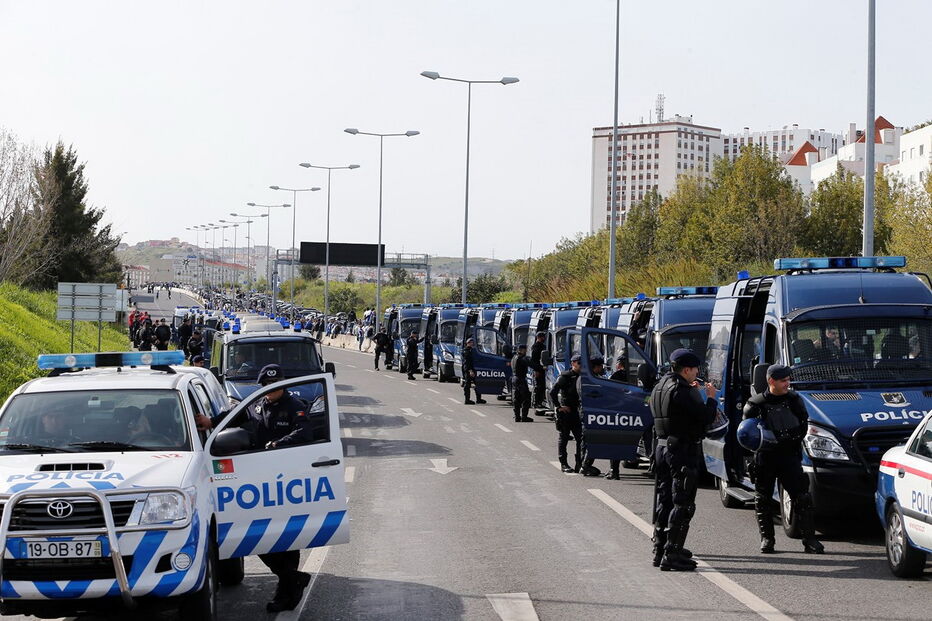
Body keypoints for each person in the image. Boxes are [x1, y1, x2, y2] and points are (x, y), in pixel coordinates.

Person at [743, 364, 824, 554]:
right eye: (783, 381)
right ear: (771, 381)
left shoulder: (794, 400)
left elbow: (804, 424)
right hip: (766, 457)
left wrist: (790, 439)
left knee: (802, 497)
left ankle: (809, 540)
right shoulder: (755, 404)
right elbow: (745, 434)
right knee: (762, 499)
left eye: (788, 380)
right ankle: (767, 539)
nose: (787, 384)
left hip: (789, 455)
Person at [649, 348, 716, 571]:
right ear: (686, 370)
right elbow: (705, 418)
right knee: (683, 502)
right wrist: (711, 399)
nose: (697, 372)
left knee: (665, 499)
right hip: (681, 450)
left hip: (661, 447)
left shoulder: (660, 386)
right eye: (695, 369)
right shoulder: (683, 390)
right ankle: (672, 553)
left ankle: (661, 547)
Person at [550, 354, 586, 473]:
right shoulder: (565, 376)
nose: (581, 366)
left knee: (580, 439)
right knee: (564, 438)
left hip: (576, 412)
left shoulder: (584, 376)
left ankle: (579, 464)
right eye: (579, 363)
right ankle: (564, 464)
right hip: (566, 413)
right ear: (573, 364)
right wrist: (559, 407)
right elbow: (552, 392)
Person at [510, 343, 533, 423]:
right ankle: (524, 416)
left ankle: (517, 416)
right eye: (525, 350)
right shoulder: (521, 358)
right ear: (521, 350)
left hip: (514, 379)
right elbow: (530, 364)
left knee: (517, 399)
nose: (526, 351)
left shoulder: (514, 357)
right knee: (526, 398)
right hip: (521, 379)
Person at [461, 338, 486, 405]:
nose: (472, 343)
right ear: (467, 343)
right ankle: (467, 400)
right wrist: (470, 371)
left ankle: (479, 399)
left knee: (478, 383)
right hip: (468, 370)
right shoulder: (466, 351)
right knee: (467, 385)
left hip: (473, 369)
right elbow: (467, 363)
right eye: (470, 342)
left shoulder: (472, 350)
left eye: (472, 342)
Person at [530, 331, 547, 409]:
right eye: (543, 337)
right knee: (538, 387)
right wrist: (536, 370)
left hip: (541, 369)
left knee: (542, 386)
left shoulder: (541, 346)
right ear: (539, 337)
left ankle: (540, 401)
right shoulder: (536, 347)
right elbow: (534, 361)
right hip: (538, 370)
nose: (544, 338)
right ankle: (536, 403)